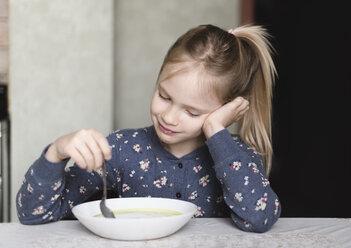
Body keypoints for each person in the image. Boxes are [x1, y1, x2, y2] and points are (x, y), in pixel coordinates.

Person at [16, 24, 281, 233]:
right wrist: (56, 152)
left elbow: (259, 219)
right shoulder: (122, 149)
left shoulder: (237, 155)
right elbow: (34, 214)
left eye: (192, 112)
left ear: (228, 110)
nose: (169, 117)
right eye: (164, 96)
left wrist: (216, 131)